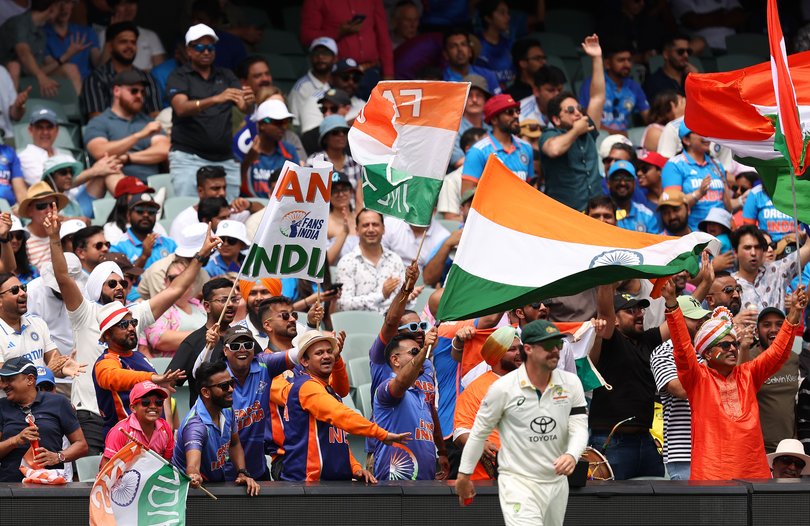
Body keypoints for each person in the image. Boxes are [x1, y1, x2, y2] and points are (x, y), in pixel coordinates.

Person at [45, 207, 220, 455]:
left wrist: (201, 256)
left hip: (135, 415)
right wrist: (54, 238)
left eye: (124, 283)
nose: (120, 287)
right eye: (112, 283)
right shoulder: (85, 312)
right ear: (97, 287)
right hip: (93, 414)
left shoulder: (133, 313)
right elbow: (63, 277)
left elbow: (174, 291)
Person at [663, 280, 807, 480]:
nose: (732, 349)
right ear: (707, 353)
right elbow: (682, 349)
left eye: (734, 344)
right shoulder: (698, 379)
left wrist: (793, 315)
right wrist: (672, 305)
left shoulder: (748, 374)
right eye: (723, 345)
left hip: (754, 473)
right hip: (711, 475)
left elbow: (777, 353)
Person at [455, 319, 588, 526]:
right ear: (529, 349)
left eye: (558, 345)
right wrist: (464, 476)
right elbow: (476, 433)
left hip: (555, 482)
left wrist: (572, 454)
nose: (555, 351)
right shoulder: (502, 388)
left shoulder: (571, 383)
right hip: (516, 481)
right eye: (547, 346)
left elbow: (579, 426)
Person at [281, 330, 410, 482]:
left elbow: (337, 441)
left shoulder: (325, 388)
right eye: (319, 353)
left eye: (330, 351)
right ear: (304, 361)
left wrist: (355, 468)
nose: (327, 356)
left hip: (326, 484)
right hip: (307, 483)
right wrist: (380, 433)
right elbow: (340, 414)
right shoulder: (307, 386)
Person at [194, 325, 298, 480]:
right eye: (235, 346)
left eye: (248, 345)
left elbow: (297, 354)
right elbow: (198, 374)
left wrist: (323, 341)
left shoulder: (264, 365)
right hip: (221, 474)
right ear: (225, 351)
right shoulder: (219, 376)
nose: (242, 349)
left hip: (257, 470)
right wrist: (209, 348)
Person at [589, 286, 672, 479]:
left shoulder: (647, 340)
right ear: (615, 321)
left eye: (640, 310)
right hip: (612, 440)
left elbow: (679, 324)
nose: (639, 315)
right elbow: (604, 312)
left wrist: (674, 298)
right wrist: (606, 280)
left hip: (645, 438)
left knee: (658, 501)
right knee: (611, 505)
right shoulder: (611, 339)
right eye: (630, 311)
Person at [167, 23, 253, 200]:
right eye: (199, 47)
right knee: (189, 211)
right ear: (188, 50)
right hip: (188, 158)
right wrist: (215, 99)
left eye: (210, 47)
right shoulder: (179, 76)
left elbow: (244, 107)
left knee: (229, 216)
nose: (206, 51)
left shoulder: (226, 75)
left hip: (224, 159)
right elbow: (181, 108)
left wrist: (249, 102)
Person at [92, 301, 185, 435]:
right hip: (126, 441)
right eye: (123, 325)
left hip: (157, 438)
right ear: (107, 335)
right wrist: (152, 378)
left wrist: (167, 427)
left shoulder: (139, 356)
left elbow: (160, 390)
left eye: (133, 323)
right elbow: (112, 377)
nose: (131, 328)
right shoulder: (106, 362)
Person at [172, 360, 260, 495]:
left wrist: (242, 472)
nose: (231, 389)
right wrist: (194, 475)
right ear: (206, 392)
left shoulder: (227, 410)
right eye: (224, 386)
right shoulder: (195, 427)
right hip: (190, 493)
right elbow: (192, 465)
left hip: (215, 485)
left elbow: (234, 444)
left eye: (231, 383)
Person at [539, 35, 606, 212]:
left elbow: (597, 97)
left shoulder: (588, 129)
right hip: (566, 216)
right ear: (556, 119)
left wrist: (597, 57)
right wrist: (576, 131)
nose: (577, 113)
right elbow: (554, 150)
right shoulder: (549, 135)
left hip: (594, 214)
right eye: (569, 111)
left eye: (578, 108)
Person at [650, 295, 711, 480]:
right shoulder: (663, 352)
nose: (700, 322)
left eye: (702, 317)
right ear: (675, 320)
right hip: (683, 451)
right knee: (689, 508)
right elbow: (681, 390)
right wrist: (709, 365)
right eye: (694, 318)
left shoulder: (708, 350)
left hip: (713, 446)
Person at [0, 357, 88, 482]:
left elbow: (81, 445)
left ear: (30, 379)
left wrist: (58, 457)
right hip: (10, 488)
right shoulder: (2, 406)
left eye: (9, 380)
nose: (3, 385)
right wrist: (15, 440)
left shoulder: (58, 402)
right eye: (2, 381)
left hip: (49, 486)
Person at [453, 326, 522, 480]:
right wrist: (481, 445)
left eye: (520, 348)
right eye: (512, 349)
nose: (520, 353)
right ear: (497, 355)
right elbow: (460, 431)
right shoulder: (477, 388)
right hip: (488, 480)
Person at [373, 329, 441, 480]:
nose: (421, 357)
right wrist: (424, 350)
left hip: (426, 482)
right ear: (395, 360)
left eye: (420, 352)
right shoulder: (386, 388)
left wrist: (442, 453)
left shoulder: (421, 394)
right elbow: (401, 383)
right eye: (414, 352)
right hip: (394, 486)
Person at [84, 69, 169, 181]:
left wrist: (128, 158)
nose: (139, 96)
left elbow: (164, 151)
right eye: (134, 91)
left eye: (142, 92)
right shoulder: (99, 122)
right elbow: (99, 151)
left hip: (153, 185)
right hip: (116, 187)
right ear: (116, 91)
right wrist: (138, 136)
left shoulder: (148, 122)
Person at [0, 270, 84, 381]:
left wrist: (64, 367)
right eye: (15, 290)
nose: (23, 293)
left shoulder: (37, 323)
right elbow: (4, 381)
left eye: (23, 288)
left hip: (43, 395)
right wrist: (45, 372)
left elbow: (54, 361)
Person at [167, 277, 237, 406]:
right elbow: (166, 385)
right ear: (207, 306)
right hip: (205, 420)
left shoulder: (243, 337)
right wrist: (169, 423)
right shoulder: (193, 343)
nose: (231, 304)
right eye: (223, 300)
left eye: (234, 299)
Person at [300, 0, 394, 94]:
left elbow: (383, 36)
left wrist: (388, 74)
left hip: (370, 71)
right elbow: (307, 37)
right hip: (340, 75)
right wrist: (338, 32)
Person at [744, 307, 801, 453]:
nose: (774, 329)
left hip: (788, 447)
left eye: (779, 324)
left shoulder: (794, 359)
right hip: (757, 448)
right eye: (767, 324)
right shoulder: (748, 358)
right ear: (757, 332)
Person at [1, 0, 82, 98]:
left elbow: (39, 68)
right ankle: (11, 110)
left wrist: (65, 57)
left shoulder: (41, 33)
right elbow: (23, 53)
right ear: (51, 9)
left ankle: (79, 110)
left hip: (28, 80)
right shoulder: (19, 22)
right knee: (14, 66)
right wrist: (41, 77)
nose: (60, 11)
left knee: (70, 68)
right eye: (58, 6)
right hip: (5, 81)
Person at [80, 22, 161, 119]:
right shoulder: (95, 79)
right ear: (110, 47)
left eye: (133, 42)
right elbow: (96, 118)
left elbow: (155, 115)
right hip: (109, 133)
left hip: (146, 131)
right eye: (123, 42)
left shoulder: (147, 78)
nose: (129, 46)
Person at [662, 122, 732, 232]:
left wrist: (742, 200)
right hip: (693, 235)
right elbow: (671, 208)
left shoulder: (717, 165)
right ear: (686, 140)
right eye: (700, 132)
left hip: (720, 234)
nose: (706, 136)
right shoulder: (674, 166)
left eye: (706, 132)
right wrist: (698, 193)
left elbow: (728, 204)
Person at [336, 209, 406, 313]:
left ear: (383, 229)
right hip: (359, 325)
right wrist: (381, 296)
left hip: (392, 325)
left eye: (375, 224)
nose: (371, 229)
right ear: (357, 230)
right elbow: (343, 304)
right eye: (365, 225)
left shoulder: (395, 260)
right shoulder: (347, 262)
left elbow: (401, 303)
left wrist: (409, 295)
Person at [460, 94, 533, 193]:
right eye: (510, 112)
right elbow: (466, 194)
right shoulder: (477, 152)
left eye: (517, 111)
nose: (516, 115)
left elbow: (531, 190)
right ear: (494, 120)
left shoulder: (526, 148)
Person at [731, 225, 810, 313]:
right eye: (747, 248)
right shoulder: (729, 285)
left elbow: (808, 247)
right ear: (736, 252)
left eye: (757, 247)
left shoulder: (778, 271)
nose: (753, 253)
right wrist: (735, 321)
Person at [169, 166, 261, 240]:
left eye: (224, 188)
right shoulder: (183, 221)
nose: (222, 193)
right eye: (215, 188)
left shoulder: (233, 211)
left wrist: (249, 205)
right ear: (200, 191)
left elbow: (264, 214)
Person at [579, 39, 649, 134]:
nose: (627, 64)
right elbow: (587, 121)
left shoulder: (634, 87)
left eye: (629, 60)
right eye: (621, 60)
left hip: (624, 136)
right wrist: (617, 133)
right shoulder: (592, 84)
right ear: (607, 64)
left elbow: (648, 117)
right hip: (598, 135)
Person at [140, 259, 206, 357]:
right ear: (165, 282)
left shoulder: (200, 307)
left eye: (184, 277)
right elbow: (159, 339)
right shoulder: (159, 307)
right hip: (176, 369)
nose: (180, 282)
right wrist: (205, 336)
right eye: (174, 278)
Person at [101, 380, 173, 467]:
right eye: (145, 402)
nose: (153, 406)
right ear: (133, 408)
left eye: (158, 402)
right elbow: (106, 474)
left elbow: (167, 466)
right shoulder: (121, 431)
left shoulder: (165, 428)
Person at [241, 99, 299, 199]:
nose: (283, 127)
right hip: (251, 207)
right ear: (262, 124)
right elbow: (238, 185)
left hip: (282, 209)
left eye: (286, 122)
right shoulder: (245, 148)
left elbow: (297, 188)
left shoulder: (290, 151)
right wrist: (248, 160)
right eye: (278, 122)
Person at [110, 191, 176, 270]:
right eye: (140, 211)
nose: (146, 215)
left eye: (151, 211)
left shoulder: (170, 244)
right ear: (128, 215)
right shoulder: (118, 247)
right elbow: (122, 279)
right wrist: (144, 256)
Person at [97, 0, 166, 71]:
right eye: (123, 4)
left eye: (132, 3)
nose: (128, 9)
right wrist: (112, 32)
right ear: (113, 8)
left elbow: (160, 72)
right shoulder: (104, 35)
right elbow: (101, 70)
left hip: (145, 81)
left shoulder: (150, 36)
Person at [288, 37, 338, 134]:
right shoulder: (301, 88)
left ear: (335, 58)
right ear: (310, 58)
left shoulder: (340, 81)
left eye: (326, 53)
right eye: (316, 53)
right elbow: (296, 125)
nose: (320, 57)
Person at [18, 181, 70, 271]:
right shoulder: (20, 238)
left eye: (53, 205)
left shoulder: (66, 231)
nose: (49, 210)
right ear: (29, 211)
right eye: (41, 206)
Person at [44, 0, 101, 81]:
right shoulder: (42, 35)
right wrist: (68, 54)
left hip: (89, 85)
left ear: (72, 5)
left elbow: (99, 64)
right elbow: (52, 69)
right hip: (64, 87)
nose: (63, 8)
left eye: (67, 2)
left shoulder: (87, 31)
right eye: (60, 3)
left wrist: (111, 38)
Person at [17, 108, 71, 187]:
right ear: (31, 130)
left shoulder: (66, 155)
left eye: (49, 127)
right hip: (49, 198)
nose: (45, 132)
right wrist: (92, 171)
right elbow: (47, 185)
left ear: (56, 130)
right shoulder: (25, 156)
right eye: (40, 127)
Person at [307, 116, 361, 194]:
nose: (341, 135)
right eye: (335, 132)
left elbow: (359, 197)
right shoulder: (313, 163)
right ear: (325, 138)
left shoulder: (355, 163)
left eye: (345, 131)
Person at [606, 160, 661, 234]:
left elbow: (655, 243)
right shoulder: (602, 214)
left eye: (627, 178)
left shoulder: (647, 215)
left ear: (635, 183)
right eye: (617, 178)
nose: (622, 183)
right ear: (609, 183)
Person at [448, 75, 491, 170]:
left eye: (479, 95)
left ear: (486, 100)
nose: (474, 100)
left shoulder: (492, 129)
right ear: (462, 100)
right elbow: (459, 162)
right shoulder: (453, 128)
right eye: (469, 96)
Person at [441, 29, 500, 96]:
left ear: (470, 51)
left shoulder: (488, 75)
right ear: (445, 54)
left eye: (463, 44)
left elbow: (499, 102)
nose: (460, 49)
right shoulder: (441, 80)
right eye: (453, 46)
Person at [233, 278, 282, 350]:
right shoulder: (234, 334)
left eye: (265, 292)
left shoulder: (296, 329)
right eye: (253, 293)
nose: (259, 298)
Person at [643, 36, 696, 101]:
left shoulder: (690, 77)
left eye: (688, 51)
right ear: (666, 54)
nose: (686, 55)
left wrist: (696, 80)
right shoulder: (654, 82)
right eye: (680, 51)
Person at [518, 65, 566, 132]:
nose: (557, 95)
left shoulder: (569, 105)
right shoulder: (520, 113)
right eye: (551, 90)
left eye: (560, 90)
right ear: (536, 91)